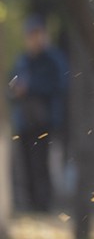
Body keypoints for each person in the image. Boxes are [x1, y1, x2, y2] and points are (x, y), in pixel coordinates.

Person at [9, 15, 69, 212]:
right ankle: (30, 206)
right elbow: (11, 87)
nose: (34, 39)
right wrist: (15, 90)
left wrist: (30, 88)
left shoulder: (54, 60)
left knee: (42, 165)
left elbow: (60, 85)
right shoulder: (22, 61)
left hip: (45, 122)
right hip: (24, 123)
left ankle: (44, 206)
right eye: (31, 35)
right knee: (25, 166)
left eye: (37, 34)